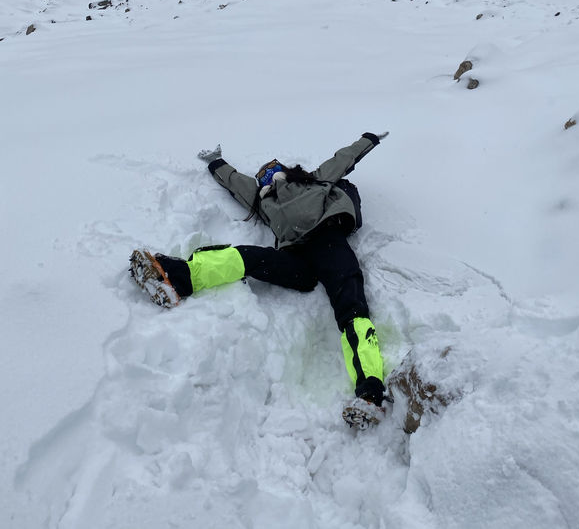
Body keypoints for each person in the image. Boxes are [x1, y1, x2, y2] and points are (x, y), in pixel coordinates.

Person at [129, 132, 390, 415]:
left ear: (285, 170)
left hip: (328, 240)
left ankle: (369, 393)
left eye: (272, 170)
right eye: (263, 175)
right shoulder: (264, 202)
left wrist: (369, 138)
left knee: (350, 304)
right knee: (247, 257)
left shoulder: (314, 180)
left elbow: (343, 158)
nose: (267, 176)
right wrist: (216, 163)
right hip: (296, 260)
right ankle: (177, 279)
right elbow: (236, 183)